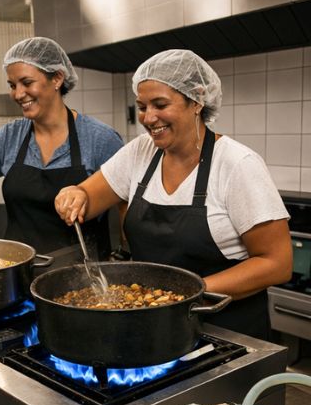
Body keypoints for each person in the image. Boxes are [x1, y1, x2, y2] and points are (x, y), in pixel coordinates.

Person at [54, 49, 292, 339]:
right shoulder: (139, 152)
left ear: (196, 101)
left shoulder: (237, 164)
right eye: (142, 106)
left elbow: (277, 264)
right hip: (153, 328)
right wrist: (74, 193)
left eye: (160, 104)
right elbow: (87, 199)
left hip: (226, 334)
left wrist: (188, 294)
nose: (149, 117)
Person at [0, 37, 123, 257]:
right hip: (17, 274)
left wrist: (127, 256)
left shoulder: (100, 139)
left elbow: (127, 204)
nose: (18, 94)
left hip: (81, 279)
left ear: (57, 78)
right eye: (13, 85)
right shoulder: (8, 138)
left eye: (26, 82)